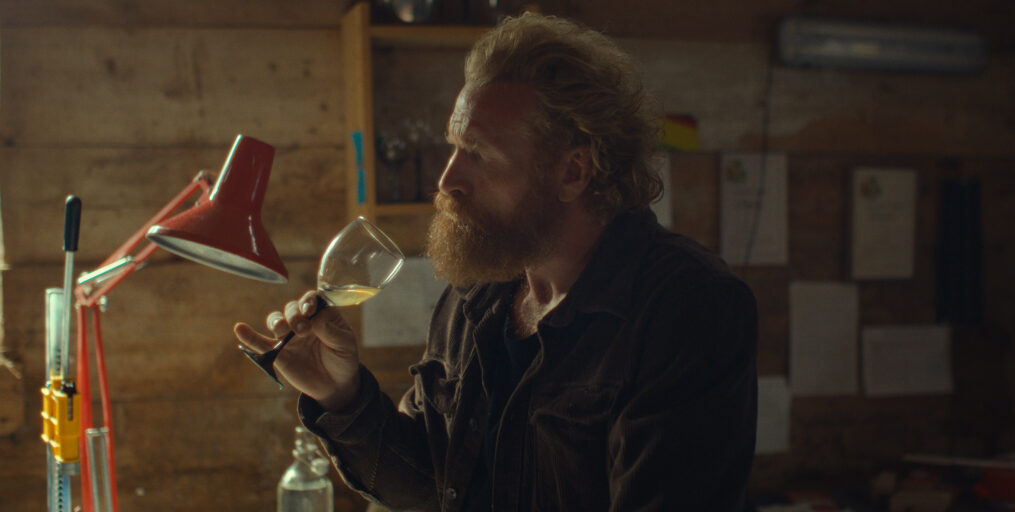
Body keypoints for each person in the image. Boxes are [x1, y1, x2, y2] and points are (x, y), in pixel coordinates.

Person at [235, 13, 758, 511]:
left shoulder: (687, 308)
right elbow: (427, 482)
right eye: (453, 147)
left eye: (479, 154)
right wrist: (340, 394)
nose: (446, 181)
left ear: (573, 172)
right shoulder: (478, 294)